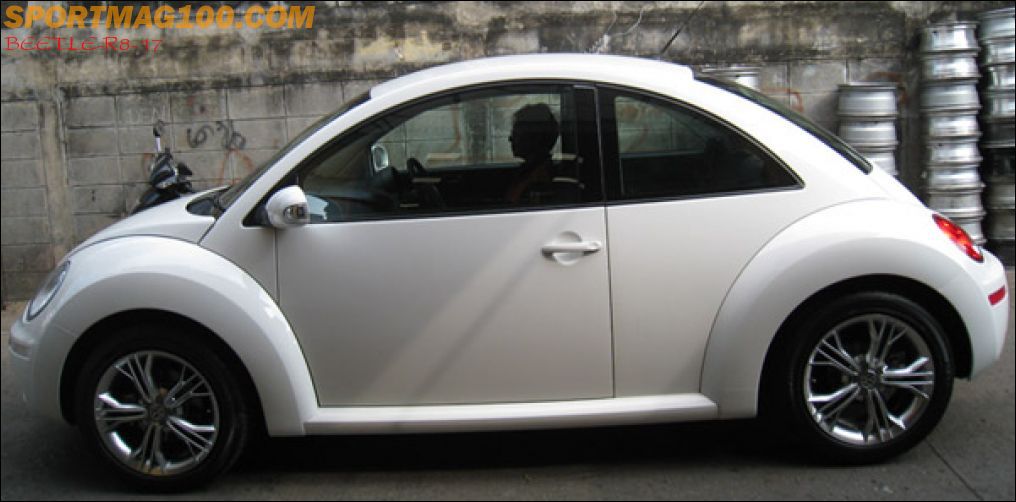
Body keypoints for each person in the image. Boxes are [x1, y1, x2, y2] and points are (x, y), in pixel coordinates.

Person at [505, 103, 559, 203]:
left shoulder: (539, 177)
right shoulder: (532, 169)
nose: (510, 139)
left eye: (515, 134)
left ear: (533, 139)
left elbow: (512, 202)